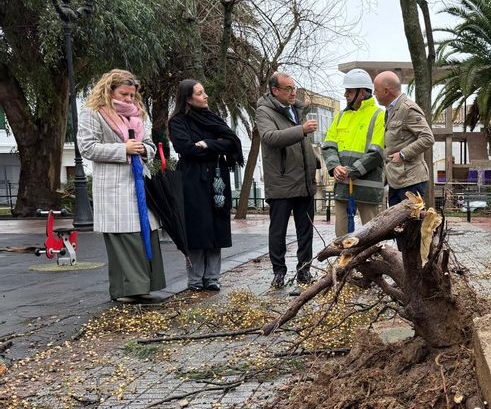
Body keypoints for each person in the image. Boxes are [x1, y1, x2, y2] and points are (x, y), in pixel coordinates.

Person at [78, 69, 165, 303]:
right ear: (109, 90)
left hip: (139, 183)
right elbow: (87, 147)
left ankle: (145, 285)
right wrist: (123, 150)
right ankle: (126, 289)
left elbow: (149, 145)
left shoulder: (137, 116)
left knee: (145, 231)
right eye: (124, 94)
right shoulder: (93, 114)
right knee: (124, 236)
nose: (128, 99)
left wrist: (144, 150)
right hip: (114, 186)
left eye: (131, 95)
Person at [168, 79, 243, 291]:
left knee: (216, 226)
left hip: (217, 179)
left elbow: (231, 142)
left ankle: (212, 277)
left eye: (204, 92)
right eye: (200, 93)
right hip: (192, 180)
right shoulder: (178, 121)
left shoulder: (213, 118)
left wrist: (208, 143)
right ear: (188, 99)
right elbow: (186, 148)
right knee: (196, 228)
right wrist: (214, 146)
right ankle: (194, 280)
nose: (205, 96)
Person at [255, 72, 320, 290]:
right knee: (278, 231)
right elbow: (270, 138)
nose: (293, 92)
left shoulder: (297, 109)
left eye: (294, 88)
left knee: (306, 230)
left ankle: (304, 270)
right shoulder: (264, 111)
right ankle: (279, 272)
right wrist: (301, 130)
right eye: (288, 89)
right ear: (275, 90)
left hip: (304, 180)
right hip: (281, 181)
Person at [323, 68, 386, 238]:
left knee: (372, 237)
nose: (345, 94)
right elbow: (329, 146)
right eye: (346, 90)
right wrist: (335, 167)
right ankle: (343, 265)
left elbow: (377, 152)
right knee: (341, 238)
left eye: (349, 91)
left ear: (363, 92)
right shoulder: (340, 116)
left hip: (368, 189)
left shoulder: (379, 115)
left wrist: (351, 172)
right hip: (343, 187)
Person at [373, 71, 434, 207]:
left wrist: (403, 154)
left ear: (386, 90)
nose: (374, 94)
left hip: (411, 181)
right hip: (396, 179)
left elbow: (427, 138)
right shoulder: (390, 110)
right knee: (397, 226)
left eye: (376, 90)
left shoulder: (407, 109)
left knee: (411, 225)